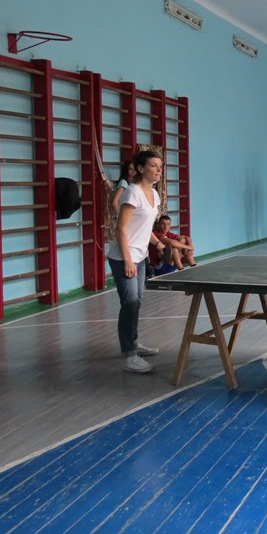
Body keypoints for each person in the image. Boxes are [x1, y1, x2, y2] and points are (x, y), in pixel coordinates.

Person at [107, 150, 166, 374]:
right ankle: (130, 356)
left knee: (136, 302)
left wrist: (158, 244)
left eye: (159, 166)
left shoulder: (154, 195)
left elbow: (145, 227)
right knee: (130, 303)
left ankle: (132, 342)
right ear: (141, 168)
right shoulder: (132, 192)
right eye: (153, 165)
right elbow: (121, 229)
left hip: (140, 257)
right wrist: (128, 260)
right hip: (124, 257)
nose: (158, 170)